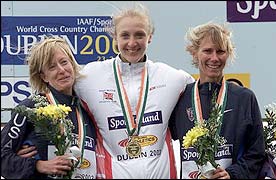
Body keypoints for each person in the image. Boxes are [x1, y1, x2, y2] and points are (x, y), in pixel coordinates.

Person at [74, 3, 194, 179]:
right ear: (114, 37)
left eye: (139, 35)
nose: (132, 43)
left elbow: (202, 100)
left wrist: (235, 93)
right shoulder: (89, 77)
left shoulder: (173, 78)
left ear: (150, 37)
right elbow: (53, 99)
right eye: (125, 35)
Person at [169, 22, 266, 179]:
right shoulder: (180, 97)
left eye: (220, 51)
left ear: (228, 54)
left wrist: (232, 174)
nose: (214, 58)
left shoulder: (244, 98)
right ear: (194, 53)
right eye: (207, 51)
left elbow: (257, 153)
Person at [1, 36, 98, 179]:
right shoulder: (31, 108)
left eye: (64, 62)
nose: (62, 70)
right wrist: (38, 165)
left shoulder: (88, 109)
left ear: (72, 64)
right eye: (52, 67)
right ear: (43, 76)